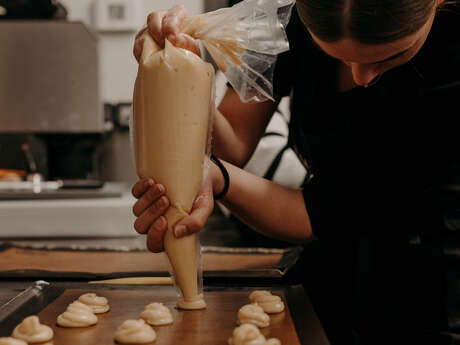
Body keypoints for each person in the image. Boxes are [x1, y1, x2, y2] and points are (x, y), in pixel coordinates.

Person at [130, 2, 460, 344]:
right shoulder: (287, 28)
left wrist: (217, 178)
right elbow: (232, 145)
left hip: (434, 282)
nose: (361, 77)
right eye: (338, 57)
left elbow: (321, 215)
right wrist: (182, 70)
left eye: (389, 58)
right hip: (331, 271)